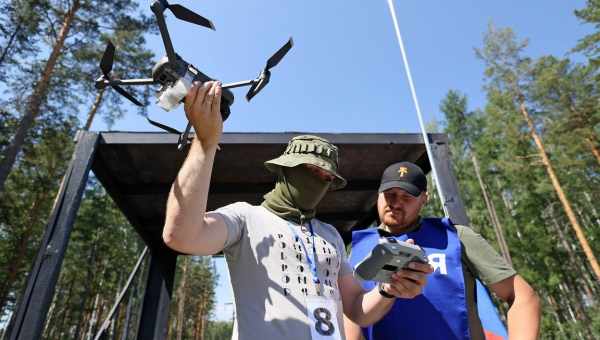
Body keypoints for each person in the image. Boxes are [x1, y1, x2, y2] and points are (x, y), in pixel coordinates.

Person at [162, 81, 433, 340]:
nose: (319, 182)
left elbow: (357, 309)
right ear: (285, 170)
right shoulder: (246, 217)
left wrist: (389, 289)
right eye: (311, 171)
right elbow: (181, 235)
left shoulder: (330, 235)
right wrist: (204, 144)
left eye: (327, 178)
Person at [344, 162, 541, 340]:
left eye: (406, 197)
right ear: (378, 195)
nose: (396, 203)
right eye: (390, 195)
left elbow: (521, 296)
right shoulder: (358, 249)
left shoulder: (456, 237)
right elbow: (351, 318)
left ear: (424, 199)